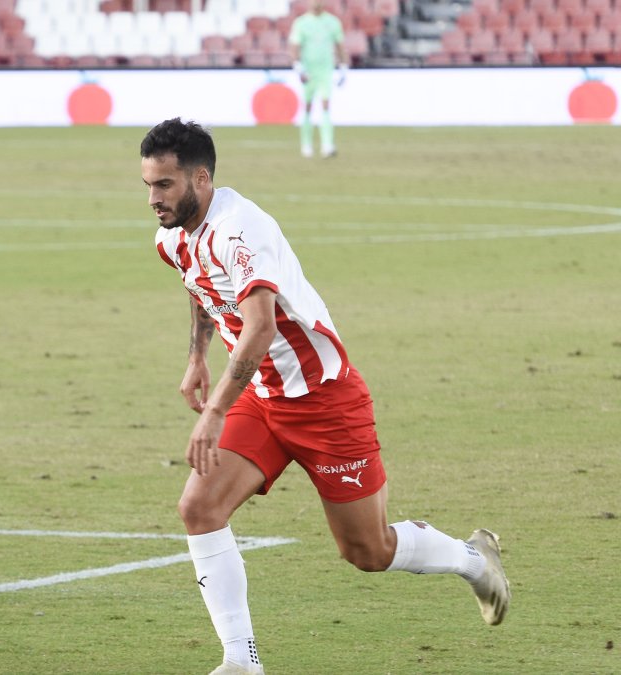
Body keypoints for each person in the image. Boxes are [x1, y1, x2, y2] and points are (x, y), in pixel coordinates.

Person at [140, 118, 510, 675]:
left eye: (164, 185)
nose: (153, 198)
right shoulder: (173, 237)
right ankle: (242, 661)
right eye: (147, 184)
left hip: (324, 400)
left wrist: (215, 409)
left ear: (201, 177)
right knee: (199, 507)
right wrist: (197, 356)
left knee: (367, 551)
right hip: (262, 396)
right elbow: (203, 289)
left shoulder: (242, 228)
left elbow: (261, 326)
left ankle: (472, 560)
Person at [288, 0, 349, 158]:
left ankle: (327, 145)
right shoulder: (301, 23)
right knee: (307, 106)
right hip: (308, 71)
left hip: (325, 70)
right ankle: (306, 145)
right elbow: (294, 47)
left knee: (326, 105)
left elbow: (340, 45)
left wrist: (343, 67)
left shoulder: (333, 22)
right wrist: (297, 66)